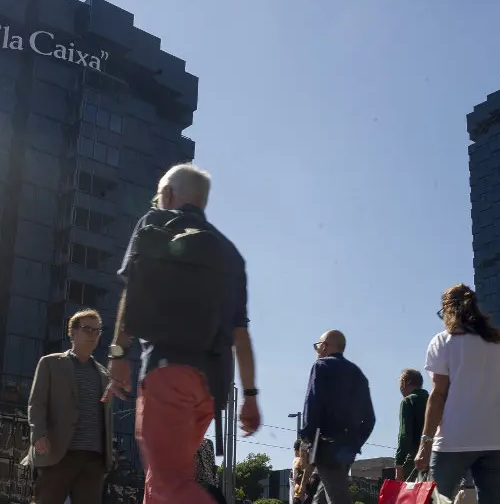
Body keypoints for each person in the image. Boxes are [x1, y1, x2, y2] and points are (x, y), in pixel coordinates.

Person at [105, 163, 261, 504]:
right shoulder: (230, 254)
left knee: (169, 483)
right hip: (211, 388)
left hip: (168, 370)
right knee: (158, 483)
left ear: (168, 194)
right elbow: (241, 334)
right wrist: (249, 395)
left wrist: (118, 353)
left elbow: (133, 293)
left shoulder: (155, 223)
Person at [413, 284, 500, 504]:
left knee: (436, 498)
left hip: (455, 438)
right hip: (494, 440)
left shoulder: (443, 342)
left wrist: (425, 444)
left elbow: (438, 395)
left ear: (448, 309)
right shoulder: (495, 347)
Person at [25, 309, 114, 504]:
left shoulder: (105, 375)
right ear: (72, 333)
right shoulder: (51, 363)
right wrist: (39, 433)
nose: (93, 334)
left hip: (94, 459)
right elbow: (37, 402)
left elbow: (106, 418)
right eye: (87, 329)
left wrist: (108, 456)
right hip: (59, 453)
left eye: (97, 331)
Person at [299, 330, 375, 504]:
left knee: (337, 498)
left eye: (318, 346)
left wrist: (306, 438)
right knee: (323, 497)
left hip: (325, 444)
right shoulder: (358, 373)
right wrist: (355, 442)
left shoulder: (321, 365)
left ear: (325, 346)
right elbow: (370, 418)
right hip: (348, 448)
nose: (317, 350)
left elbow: (313, 404)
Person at [394, 369, 428, 481]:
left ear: (404, 382)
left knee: (409, 495)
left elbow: (405, 435)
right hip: (438, 455)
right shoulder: (433, 399)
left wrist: (399, 463)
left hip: (415, 457)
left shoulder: (408, 401)